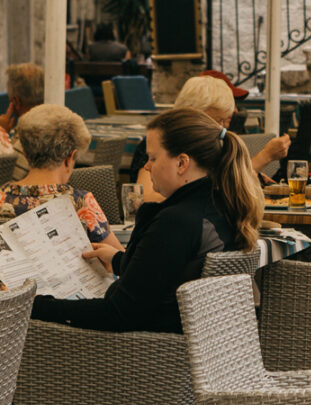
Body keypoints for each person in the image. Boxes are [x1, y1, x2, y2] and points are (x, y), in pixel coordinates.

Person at [29, 108, 262, 332]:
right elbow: (169, 270)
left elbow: (117, 314)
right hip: (189, 346)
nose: (146, 166)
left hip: (140, 353)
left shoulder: (176, 221)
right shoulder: (222, 206)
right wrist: (120, 260)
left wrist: (35, 304)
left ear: (182, 163)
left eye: (153, 157)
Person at [131, 76, 290, 201]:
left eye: (224, 121)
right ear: (194, 113)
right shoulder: (160, 143)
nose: (221, 129)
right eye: (217, 120)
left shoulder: (214, 145)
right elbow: (147, 198)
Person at [0, 104, 123, 251]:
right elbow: (121, 261)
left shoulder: (2, 198)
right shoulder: (81, 202)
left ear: (25, 154)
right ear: (69, 158)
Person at [0, 63, 44, 180]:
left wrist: (1, 134)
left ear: (16, 101)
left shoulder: (26, 137)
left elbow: (6, 179)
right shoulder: (48, 125)